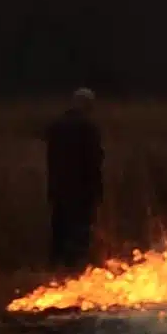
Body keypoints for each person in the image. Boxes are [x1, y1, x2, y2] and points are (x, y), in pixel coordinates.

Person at [44, 88, 106, 273]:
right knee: (79, 229)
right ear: (88, 105)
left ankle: (55, 266)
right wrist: (97, 189)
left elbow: (51, 157)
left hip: (58, 186)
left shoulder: (57, 126)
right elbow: (94, 161)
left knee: (59, 228)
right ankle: (75, 269)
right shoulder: (88, 128)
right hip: (82, 188)